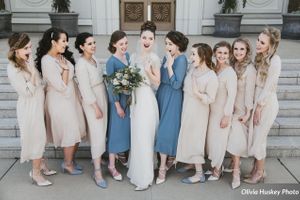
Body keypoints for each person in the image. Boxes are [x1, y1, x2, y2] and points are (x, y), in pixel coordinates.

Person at [7, 33, 56, 186]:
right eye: (26, 48)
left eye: (30, 46)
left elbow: (37, 83)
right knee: (37, 138)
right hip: (29, 108)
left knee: (41, 136)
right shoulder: (13, 68)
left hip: (38, 104)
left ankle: (41, 164)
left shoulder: (25, 61)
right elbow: (27, 91)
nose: (30, 50)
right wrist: (34, 75)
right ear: (16, 50)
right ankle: (35, 173)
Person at [35, 27, 86, 175]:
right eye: (63, 41)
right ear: (53, 42)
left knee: (79, 130)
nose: (66, 44)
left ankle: (71, 160)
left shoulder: (60, 56)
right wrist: (64, 70)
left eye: (66, 41)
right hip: (59, 101)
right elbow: (61, 87)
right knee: (70, 132)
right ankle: (67, 164)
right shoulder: (47, 61)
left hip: (71, 99)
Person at [176, 43, 218, 184]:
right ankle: (191, 163)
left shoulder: (211, 76)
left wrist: (197, 94)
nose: (191, 57)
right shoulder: (192, 69)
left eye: (194, 54)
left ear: (203, 56)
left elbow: (211, 99)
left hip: (199, 112)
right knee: (188, 136)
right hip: (187, 108)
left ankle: (199, 174)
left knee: (196, 139)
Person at [244, 27, 281, 184]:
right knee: (256, 136)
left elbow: (269, 86)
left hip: (266, 103)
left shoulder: (275, 61)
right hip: (258, 99)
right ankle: (255, 169)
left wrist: (259, 107)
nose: (258, 44)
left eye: (262, 42)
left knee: (259, 138)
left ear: (271, 45)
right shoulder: (260, 58)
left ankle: (260, 172)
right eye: (258, 40)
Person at [127, 21, 160, 191]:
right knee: (137, 137)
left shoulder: (154, 58)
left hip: (146, 100)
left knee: (144, 137)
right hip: (135, 100)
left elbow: (157, 83)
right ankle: (137, 171)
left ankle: (145, 178)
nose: (147, 41)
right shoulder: (133, 57)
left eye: (150, 38)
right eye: (144, 37)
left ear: (154, 40)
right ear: (140, 38)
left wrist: (148, 71)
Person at [155, 30, 189, 184]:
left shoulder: (181, 60)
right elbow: (160, 78)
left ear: (178, 45)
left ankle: (162, 168)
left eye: (170, 44)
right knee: (160, 127)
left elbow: (176, 84)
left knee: (166, 130)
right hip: (162, 93)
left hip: (173, 97)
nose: (167, 47)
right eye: (166, 44)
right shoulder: (166, 56)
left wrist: (169, 66)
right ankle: (168, 158)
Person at [74, 32, 108, 188]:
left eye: (94, 42)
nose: (93, 45)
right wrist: (95, 107)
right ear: (81, 47)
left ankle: (99, 157)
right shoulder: (81, 65)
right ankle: (97, 171)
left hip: (102, 94)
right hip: (92, 100)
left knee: (102, 131)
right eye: (89, 44)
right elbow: (85, 89)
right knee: (96, 133)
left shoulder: (94, 59)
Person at [226, 38, 256, 189]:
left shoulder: (250, 69)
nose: (238, 52)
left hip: (241, 111)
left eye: (242, 49)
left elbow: (250, 92)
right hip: (229, 108)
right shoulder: (231, 65)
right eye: (236, 49)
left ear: (247, 51)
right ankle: (232, 162)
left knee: (236, 134)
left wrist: (248, 113)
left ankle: (236, 171)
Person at [206, 41, 237, 181]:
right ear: (214, 53)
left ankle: (218, 170)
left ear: (229, 54)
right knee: (211, 141)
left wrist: (227, 115)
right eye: (219, 52)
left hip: (222, 112)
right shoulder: (212, 68)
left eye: (225, 53)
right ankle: (214, 166)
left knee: (219, 141)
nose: (222, 55)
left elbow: (232, 96)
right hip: (211, 111)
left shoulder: (230, 73)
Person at [106, 30, 131, 181]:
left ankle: (121, 156)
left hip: (128, 99)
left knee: (124, 130)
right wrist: (117, 106)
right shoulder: (111, 62)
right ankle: (111, 166)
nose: (124, 46)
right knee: (115, 132)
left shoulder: (127, 56)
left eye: (126, 43)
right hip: (118, 101)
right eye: (121, 44)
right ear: (114, 44)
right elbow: (111, 86)